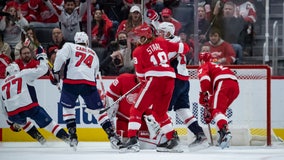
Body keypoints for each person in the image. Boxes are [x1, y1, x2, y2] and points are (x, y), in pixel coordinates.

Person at [119, 23, 189, 152]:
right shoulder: (161, 41)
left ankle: (132, 139)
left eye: (139, 36)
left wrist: (146, 83)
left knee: (136, 109)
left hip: (154, 79)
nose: (137, 39)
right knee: (159, 113)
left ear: (145, 35)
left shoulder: (138, 51)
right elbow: (185, 48)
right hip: (170, 79)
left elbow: (140, 75)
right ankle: (172, 139)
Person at [51, 31, 122, 149]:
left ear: (76, 41)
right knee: (98, 111)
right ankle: (112, 135)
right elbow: (95, 72)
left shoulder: (69, 45)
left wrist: (55, 72)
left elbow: (60, 57)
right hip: (89, 83)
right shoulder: (93, 53)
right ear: (87, 42)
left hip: (71, 81)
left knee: (68, 108)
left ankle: (73, 136)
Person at [0, 55, 71, 147]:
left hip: (13, 114)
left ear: (7, 73)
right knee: (50, 125)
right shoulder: (23, 73)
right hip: (29, 107)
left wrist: (10, 122)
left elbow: (2, 109)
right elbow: (43, 69)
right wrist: (42, 58)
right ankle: (69, 140)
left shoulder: (2, 85)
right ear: (17, 70)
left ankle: (41, 140)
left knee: (23, 123)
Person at [158, 22, 208, 147]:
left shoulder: (171, 44)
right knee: (182, 109)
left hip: (174, 80)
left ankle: (169, 138)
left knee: (164, 109)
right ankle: (200, 134)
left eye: (162, 32)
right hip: (184, 80)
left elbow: (163, 60)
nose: (159, 34)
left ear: (168, 33)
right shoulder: (176, 41)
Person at [106, 72, 166, 149]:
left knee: (151, 145)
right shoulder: (123, 79)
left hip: (141, 122)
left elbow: (153, 110)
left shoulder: (151, 86)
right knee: (122, 143)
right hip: (124, 121)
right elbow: (110, 97)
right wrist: (110, 121)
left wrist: (153, 121)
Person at [197, 51, 240, 149]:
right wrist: (209, 107)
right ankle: (223, 137)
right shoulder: (216, 65)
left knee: (217, 110)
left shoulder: (204, 66)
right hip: (235, 86)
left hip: (223, 82)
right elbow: (212, 91)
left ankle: (225, 132)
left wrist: (203, 95)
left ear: (201, 60)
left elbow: (205, 81)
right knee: (220, 112)